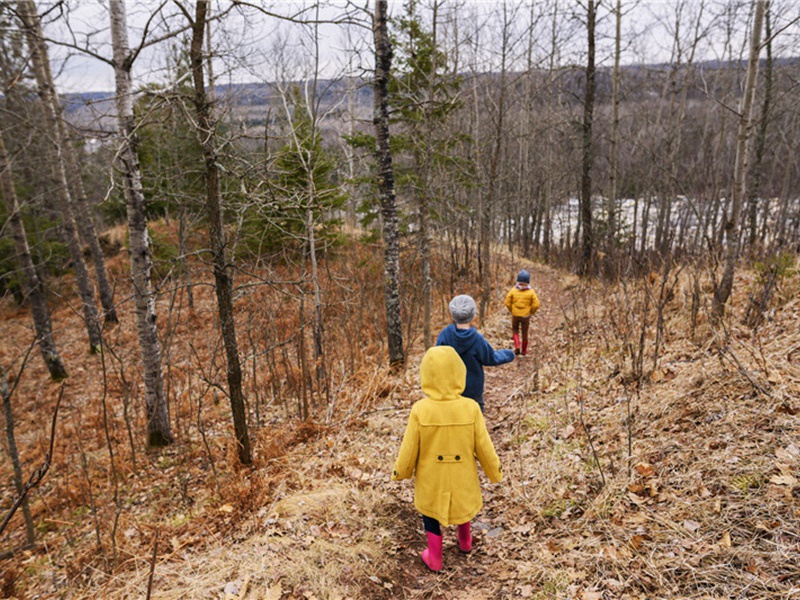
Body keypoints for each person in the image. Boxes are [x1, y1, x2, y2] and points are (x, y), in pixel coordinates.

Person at [392, 345, 503, 572]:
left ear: (427, 375)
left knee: (430, 512)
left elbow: (409, 447)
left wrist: (401, 471)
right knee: (462, 504)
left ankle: (435, 557)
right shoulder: (471, 408)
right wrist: (494, 471)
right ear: (458, 373)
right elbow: (484, 445)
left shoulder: (420, 410)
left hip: (432, 477)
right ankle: (465, 542)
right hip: (463, 475)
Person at [435, 294, 515, 412]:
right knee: (475, 421)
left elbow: (436, 358)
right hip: (473, 391)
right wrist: (509, 354)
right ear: (473, 315)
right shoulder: (477, 339)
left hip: (449, 389)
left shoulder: (445, 335)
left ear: (452, 314)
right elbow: (491, 358)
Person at [504, 269, 540, 356]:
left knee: (515, 330)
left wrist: (512, 310)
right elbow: (536, 304)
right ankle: (524, 350)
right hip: (525, 316)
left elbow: (507, 302)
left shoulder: (513, 290)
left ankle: (517, 346)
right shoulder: (531, 292)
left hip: (515, 315)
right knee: (525, 332)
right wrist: (531, 311)